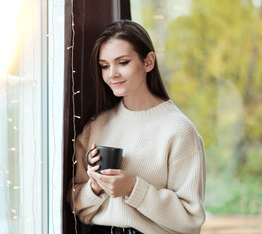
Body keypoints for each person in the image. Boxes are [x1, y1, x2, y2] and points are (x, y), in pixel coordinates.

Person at [68, 20, 206, 234]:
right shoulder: (96, 125)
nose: (112, 74)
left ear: (148, 62)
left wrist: (133, 188)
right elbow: (75, 204)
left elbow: (190, 219)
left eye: (122, 62)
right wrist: (95, 187)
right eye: (105, 66)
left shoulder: (179, 130)